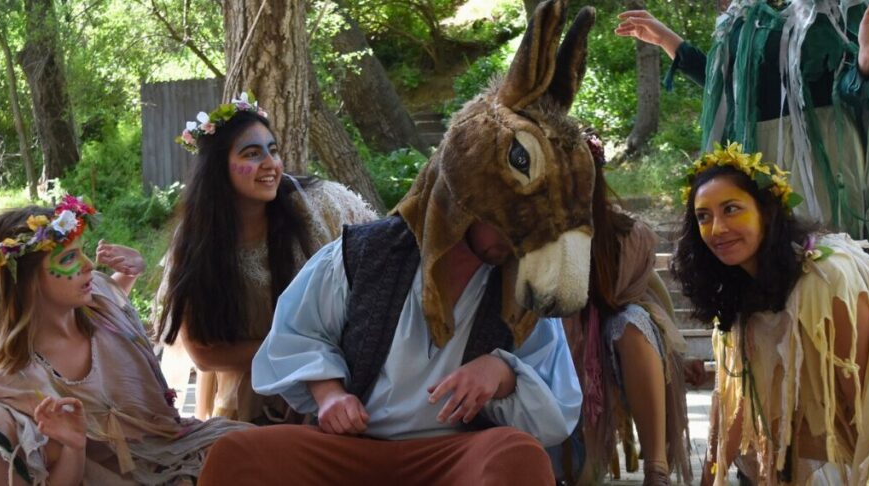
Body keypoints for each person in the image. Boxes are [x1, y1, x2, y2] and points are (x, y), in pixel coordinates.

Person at [197, 1, 597, 483]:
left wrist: (503, 374)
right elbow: (297, 337)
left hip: (453, 456)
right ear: (466, 203)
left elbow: (558, 411)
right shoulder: (361, 255)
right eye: (504, 224)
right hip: (352, 453)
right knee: (238, 454)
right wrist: (330, 396)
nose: (514, 245)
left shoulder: (522, 291)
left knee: (517, 456)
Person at [671, 143, 869, 485]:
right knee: (758, 460)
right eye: (703, 216)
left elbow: (860, 406)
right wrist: (708, 480)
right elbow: (734, 401)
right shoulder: (735, 292)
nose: (717, 229)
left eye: (731, 209)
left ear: (767, 211)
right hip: (833, 436)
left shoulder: (825, 277)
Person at [615, 0, 869, 299]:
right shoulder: (743, 12)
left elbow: (854, 97)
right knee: (769, 270)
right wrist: (668, 40)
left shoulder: (845, 7)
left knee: (827, 268)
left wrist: (867, 59)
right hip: (759, 160)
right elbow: (726, 85)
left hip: (826, 161)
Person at [0, 196, 249, 484]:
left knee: (274, 445)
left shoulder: (98, 306)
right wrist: (73, 446)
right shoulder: (24, 381)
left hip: (176, 445)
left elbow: (113, 311)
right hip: (123, 474)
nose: (89, 264)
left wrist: (131, 272)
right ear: (28, 284)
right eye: (69, 258)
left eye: (83, 251)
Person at [155, 92, 376, 423]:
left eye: (273, 151)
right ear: (218, 168)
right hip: (258, 397)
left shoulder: (322, 205)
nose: (271, 164)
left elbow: (381, 260)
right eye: (252, 154)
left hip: (352, 378)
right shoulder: (197, 243)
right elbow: (201, 352)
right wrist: (302, 354)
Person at [558, 132, 696, 486]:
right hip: (553, 333)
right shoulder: (532, 230)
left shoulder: (625, 233)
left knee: (632, 323)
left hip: (612, 330)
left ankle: (657, 469)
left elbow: (625, 296)